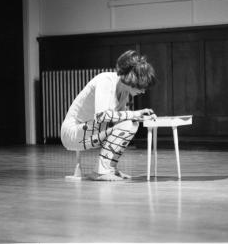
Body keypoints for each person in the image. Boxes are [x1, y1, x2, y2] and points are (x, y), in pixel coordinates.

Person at [60, 50, 157, 181]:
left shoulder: (123, 91)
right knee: (129, 123)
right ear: (133, 79)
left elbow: (120, 117)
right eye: (142, 86)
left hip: (88, 131)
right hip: (71, 133)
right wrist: (135, 114)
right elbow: (101, 116)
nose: (143, 91)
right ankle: (100, 171)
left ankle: (110, 168)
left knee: (131, 123)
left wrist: (139, 117)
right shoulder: (106, 80)